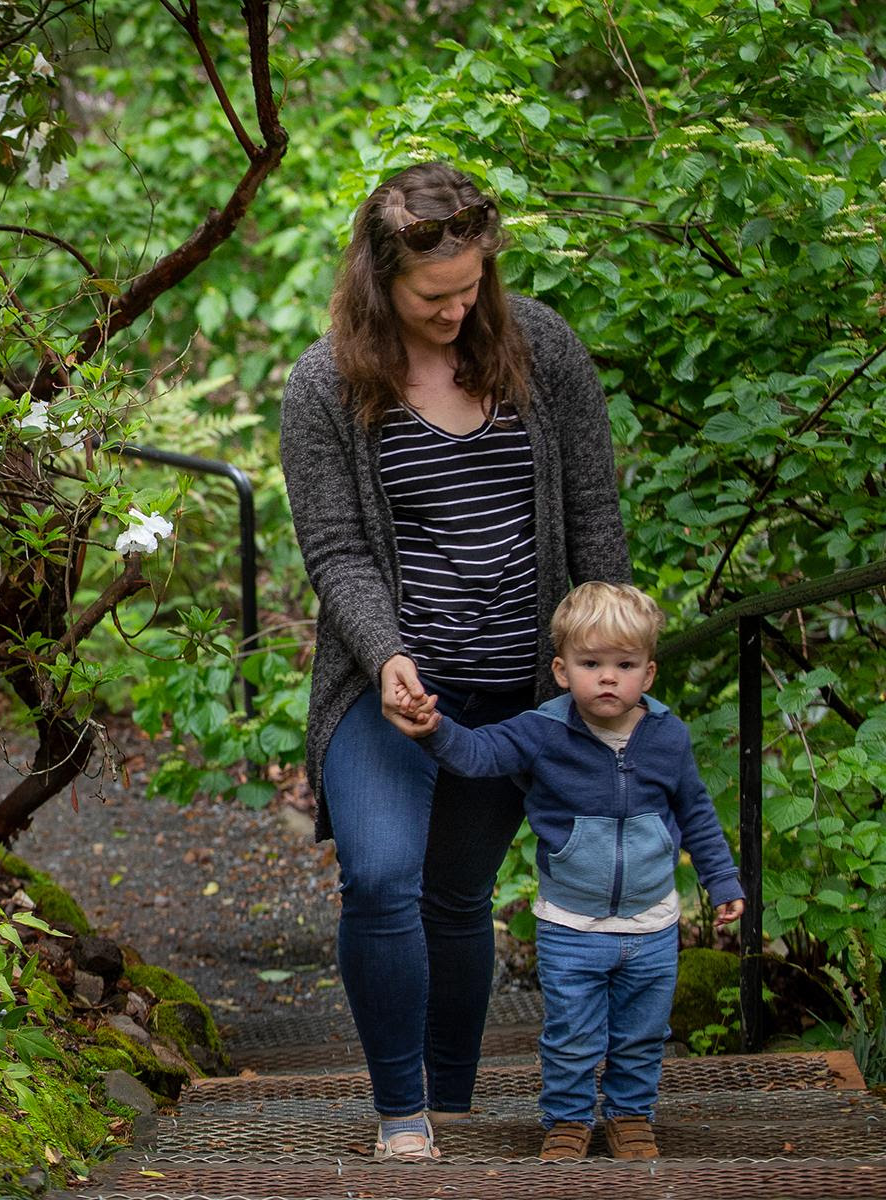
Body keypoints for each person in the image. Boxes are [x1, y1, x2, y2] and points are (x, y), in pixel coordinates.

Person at [279, 160, 632, 1161]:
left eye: (474, 285)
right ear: (380, 279)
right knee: (384, 874)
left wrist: (608, 671)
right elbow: (339, 551)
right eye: (436, 294)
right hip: (390, 684)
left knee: (457, 897)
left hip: (518, 689)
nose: (459, 307)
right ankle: (401, 1116)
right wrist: (386, 655)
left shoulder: (542, 350)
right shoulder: (326, 384)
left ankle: (452, 1107)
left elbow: (594, 517)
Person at [395, 581, 745, 1161]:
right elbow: (480, 754)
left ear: (648, 674)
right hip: (569, 923)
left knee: (641, 1034)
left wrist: (722, 879)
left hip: (651, 925)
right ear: (562, 670)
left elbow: (697, 811)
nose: (608, 677)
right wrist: (435, 731)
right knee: (572, 1035)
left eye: (624, 664)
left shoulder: (667, 736)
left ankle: (631, 1119)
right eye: (591, 663)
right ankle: (567, 1122)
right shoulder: (543, 732)